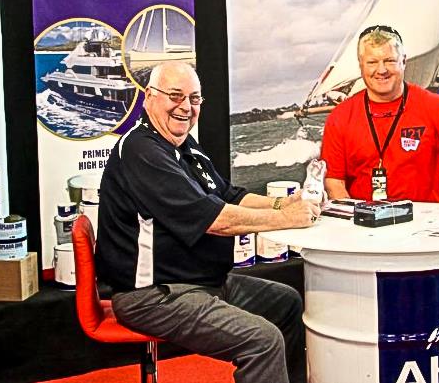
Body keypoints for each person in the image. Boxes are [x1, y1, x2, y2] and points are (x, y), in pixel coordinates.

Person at [96, 61, 319, 383]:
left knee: (286, 303)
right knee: (262, 340)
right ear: (149, 97)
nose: (185, 107)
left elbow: (229, 194)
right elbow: (215, 220)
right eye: (175, 96)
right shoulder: (141, 150)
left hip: (203, 283)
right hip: (153, 296)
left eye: (194, 98)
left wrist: (282, 203)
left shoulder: (183, 145)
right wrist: (285, 218)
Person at [321, 25, 439, 204]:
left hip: (423, 221)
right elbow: (334, 181)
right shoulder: (340, 116)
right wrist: (354, 217)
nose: (381, 70)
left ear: (404, 61)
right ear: (361, 65)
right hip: (364, 220)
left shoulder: (436, 107)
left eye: (390, 61)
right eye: (372, 62)